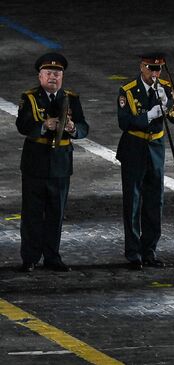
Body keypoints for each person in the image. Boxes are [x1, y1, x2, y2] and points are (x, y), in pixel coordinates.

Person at [15, 52, 89, 272]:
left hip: (60, 165)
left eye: (57, 74)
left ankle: (52, 256)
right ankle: (30, 258)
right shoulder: (29, 98)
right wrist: (43, 125)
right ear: (40, 76)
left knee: (56, 214)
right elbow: (22, 126)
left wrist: (73, 129)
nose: (53, 77)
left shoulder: (71, 99)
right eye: (48, 73)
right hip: (35, 163)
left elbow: (84, 127)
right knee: (32, 214)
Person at [116, 52, 174, 270]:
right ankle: (133, 253)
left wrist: (170, 106)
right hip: (134, 148)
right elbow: (124, 122)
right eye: (151, 68)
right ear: (142, 67)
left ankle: (149, 250)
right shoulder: (127, 91)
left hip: (155, 148)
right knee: (133, 202)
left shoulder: (163, 87)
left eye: (158, 69)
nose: (155, 73)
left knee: (155, 201)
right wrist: (151, 115)